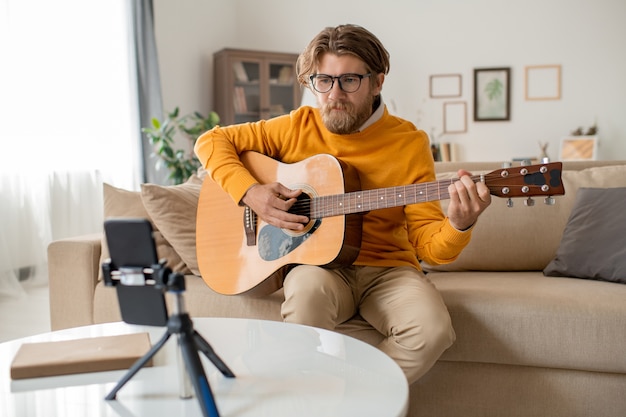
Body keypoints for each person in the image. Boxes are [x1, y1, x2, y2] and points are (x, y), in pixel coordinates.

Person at [194, 24, 491, 383]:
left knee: (433, 331)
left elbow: (431, 247)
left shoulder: (409, 142)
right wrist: (250, 192)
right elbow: (210, 141)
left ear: (377, 82)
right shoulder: (296, 126)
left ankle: (356, 397)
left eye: (349, 80)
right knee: (306, 296)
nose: (334, 94)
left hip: (388, 271)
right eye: (324, 81)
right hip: (318, 267)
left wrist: (460, 224)